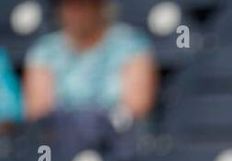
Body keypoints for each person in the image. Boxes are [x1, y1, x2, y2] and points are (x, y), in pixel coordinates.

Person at [22, 0, 156, 124]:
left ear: (99, 7)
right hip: (60, 140)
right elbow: (37, 111)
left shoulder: (130, 44)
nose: (76, 14)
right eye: (69, 7)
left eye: (82, 6)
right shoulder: (45, 50)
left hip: (117, 139)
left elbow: (138, 106)